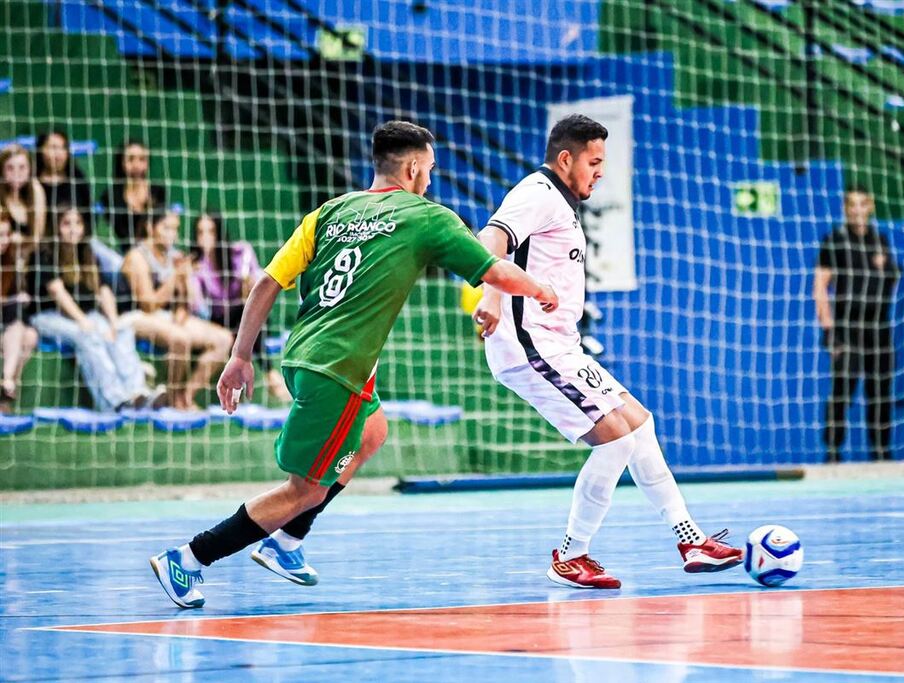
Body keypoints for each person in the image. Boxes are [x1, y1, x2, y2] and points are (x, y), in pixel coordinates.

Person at [149, 120, 557, 609]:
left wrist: (239, 357)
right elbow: (494, 271)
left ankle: (286, 544)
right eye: (428, 169)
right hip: (337, 369)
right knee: (303, 490)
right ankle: (190, 558)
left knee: (372, 432)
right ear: (412, 168)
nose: (429, 179)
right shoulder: (426, 216)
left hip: (304, 355)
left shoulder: (329, 213)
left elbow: (265, 285)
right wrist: (541, 289)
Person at [472, 114, 743, 589]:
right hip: (530, 344)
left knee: (639, 424)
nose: (600, 172)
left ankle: (690, 539)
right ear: (565, 158)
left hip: (560, 345)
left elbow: (512, 252)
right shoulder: (537, 192)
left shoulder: (558, 201)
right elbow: (490, 241)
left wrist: (498, 293)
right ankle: (571, 554)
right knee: (615, 439)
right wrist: (492, 294)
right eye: (594, 162)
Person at [26, 206, 163, 412]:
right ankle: (114, 402)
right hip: (47, 316)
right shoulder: (44, 255)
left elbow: (102, 290)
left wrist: (113, 322)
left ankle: (138, 393)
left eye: (78, 223)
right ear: (56, 227)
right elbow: (58, 294)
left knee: (121, 330)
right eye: (66, 224)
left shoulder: (87, 253)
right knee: (87, 335)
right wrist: (83, 321)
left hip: (86, 314)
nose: (73, 229)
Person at [813, 187, 900, 463]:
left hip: (879, 330)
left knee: (880, 393)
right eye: (852, 204)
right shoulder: (835, 241)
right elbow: (820, 287)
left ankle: (881, 452)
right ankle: (833, 452)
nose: (857, 210)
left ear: (871, 206)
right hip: (848, 331)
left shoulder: (880, 240)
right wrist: (829, 330)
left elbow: (890, 279)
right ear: (845, 208)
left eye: (863, 204)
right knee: (842, 393)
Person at [121, 207, 233, 410]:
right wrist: (176, 276)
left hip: (166, 318)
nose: (171, 234)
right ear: (150, 227)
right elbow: (147, 304)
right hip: (135, 318)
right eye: (166, 228)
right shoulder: (136, 257)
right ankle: (173, 401)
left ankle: (186, 396)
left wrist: (182, 310)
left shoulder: (176, 256)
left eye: (175, 229)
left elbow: (183, 302)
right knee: (180, 338)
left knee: (224, 340)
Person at [190, 212, 290, 401]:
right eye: (200, 232)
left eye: (210, 231)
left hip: (246, 315)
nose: (205, 237)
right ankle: (271, 375)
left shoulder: (240, 252)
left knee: (250, 313)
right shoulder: (198, 266)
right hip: (217, 321)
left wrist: (249, 283)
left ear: (219, 233)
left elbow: (260, 284)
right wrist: (189, 280)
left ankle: (268, 376)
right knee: (244, 319)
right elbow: (199, 309)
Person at [0, 210, 38, 412]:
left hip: (7, 330)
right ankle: (6, 389)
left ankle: (6, 386)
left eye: (6, 234)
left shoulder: (10, 262)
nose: (3, 240)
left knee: (29, 335)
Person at [100, 140, 166, 253]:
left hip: (154, 252)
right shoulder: (110, 196)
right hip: (122, 254)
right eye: (130, 159)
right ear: (121, 162)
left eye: (141, 159)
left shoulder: (158, 191)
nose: (136, 165)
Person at [0, 144, 47, 257]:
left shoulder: (35, 190)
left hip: (28, 257)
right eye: (10, 168)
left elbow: (37, 237)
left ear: (29, 169)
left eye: (22, 167)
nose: (16, 173)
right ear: (2, 170)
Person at [36, 130, 92, 215]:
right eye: (53, 147)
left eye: (63, 148)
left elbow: (88, 214)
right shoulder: (32, 180)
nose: (58, 153)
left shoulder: (77, 179)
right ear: (41, 150)